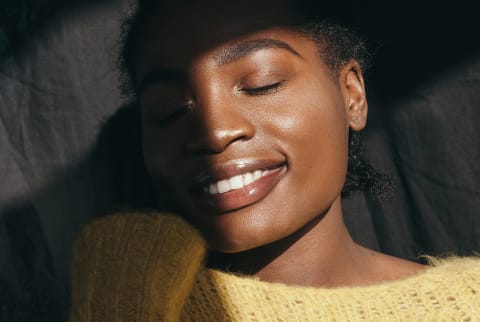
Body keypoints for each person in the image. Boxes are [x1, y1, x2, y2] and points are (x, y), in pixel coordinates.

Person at [70, 0, 480, 320]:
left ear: (351, 95)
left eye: (261, 84)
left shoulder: (467, 303)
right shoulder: (125, 296)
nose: (214, 131)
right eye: (169, 109)